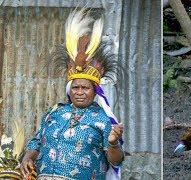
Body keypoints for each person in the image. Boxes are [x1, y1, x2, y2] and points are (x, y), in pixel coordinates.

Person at [20, 9, 124, 180]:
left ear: (94, 91)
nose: (80, 92)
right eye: (76, 88)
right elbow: (36, 142)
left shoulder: (103, 120)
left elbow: (116, 161)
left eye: (86, 88)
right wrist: (27, 158)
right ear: (70, 89)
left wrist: (113, 143)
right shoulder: (54, 113)